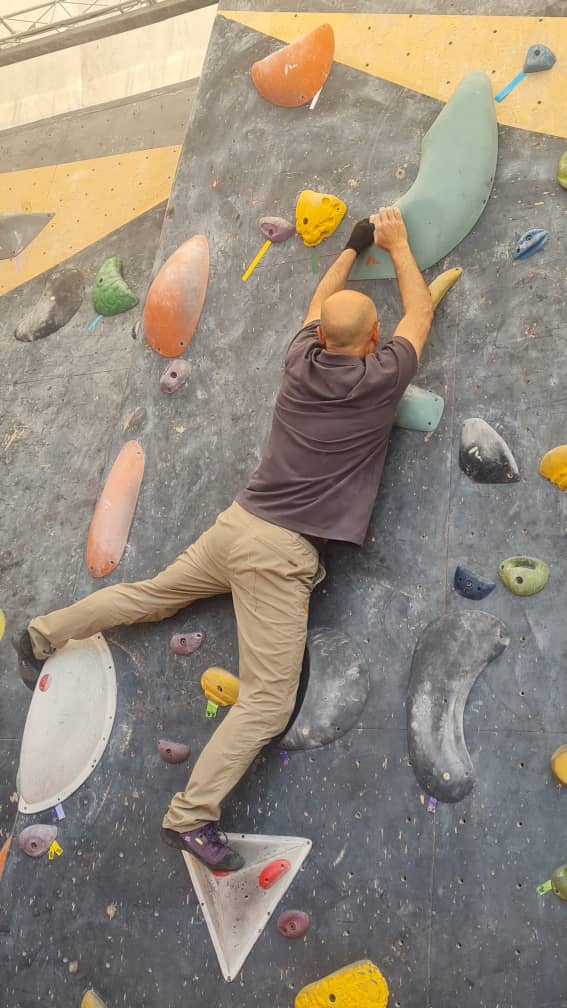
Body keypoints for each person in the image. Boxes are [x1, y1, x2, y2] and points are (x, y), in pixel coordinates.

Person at [15, 207, 433, 873]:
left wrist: (354, 247)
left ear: (321, 338)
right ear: (375, 338)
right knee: (266, 703)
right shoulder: (379, 379)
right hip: (280, 554)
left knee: (150, 596)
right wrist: (400, 245)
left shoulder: (300, 358)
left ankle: (40, 634)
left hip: (238, 525)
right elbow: (420, 312)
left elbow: (318, 303)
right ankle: (190, 816)